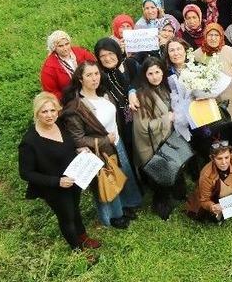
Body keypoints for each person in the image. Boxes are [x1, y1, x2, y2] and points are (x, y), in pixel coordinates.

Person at [61, 61, 142, 229]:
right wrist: (106, 141)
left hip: (116, 144)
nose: (94, 78)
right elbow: (77, 139)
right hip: (99, 151)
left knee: (119, 177)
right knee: (106, 184)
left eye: (96, 74)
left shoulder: (104, 94)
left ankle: (124, 208)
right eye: (89, 75)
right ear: (80, 79)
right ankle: (113, 218)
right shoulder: (76, 107)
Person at [19, 92, 99, 251]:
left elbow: (67, 148)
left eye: (52, 110)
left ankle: (83, 237)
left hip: (73, 179)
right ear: (37, 113)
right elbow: (25, 173)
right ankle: (78, 250)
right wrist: (57, 181)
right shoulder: (30, 141)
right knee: (67, 217)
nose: (49, 115)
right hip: (54, 187)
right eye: (44, 111)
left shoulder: (60, 125)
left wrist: (80, 150)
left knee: (75, 210)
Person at [132, 57, 180, 220]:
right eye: (150, 73)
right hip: (153, 147)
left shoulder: (165, 87)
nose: (155, 76)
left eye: (157, 72)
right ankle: (160, 205)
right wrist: (167, 119)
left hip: (169, 140)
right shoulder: (142, 95)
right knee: (159, 179)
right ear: (144, 75)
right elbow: (144, 128)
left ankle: (172, 196)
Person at [193, 24, 232, 143]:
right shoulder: (197, 55)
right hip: (213, 102)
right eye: (210, 35)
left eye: (216, 35)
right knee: (221, 134)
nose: (213, 38)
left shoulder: (229, 51)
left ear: (221, 36)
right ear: (205, 36)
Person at [187, 141, 232, 221]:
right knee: (212, 218)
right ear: (212, 158)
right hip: (217, 200)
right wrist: (212, 207)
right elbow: (204, 200)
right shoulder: (206, 174)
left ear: (230, 155)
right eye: (219, 158)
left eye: (227, 157)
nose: (224, 162)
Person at [93, 37, 139, 163]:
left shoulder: (129, 64)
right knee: (129, 147)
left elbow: (140, 80)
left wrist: (132, 91)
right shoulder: (99, 75)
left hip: (139, 111)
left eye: (111, 53)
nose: (107, 58)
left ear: (117, 52)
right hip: (120, 120)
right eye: (102, 55)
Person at [41, 30, 96, 101]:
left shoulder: (81, 53)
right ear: (54, 48)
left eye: (67, 44)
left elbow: (95, 66)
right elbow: (51, 92)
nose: (65, 48)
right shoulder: (49, 67)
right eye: (60, 46)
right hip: (71, 99)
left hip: (92, 89)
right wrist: (69, 99)